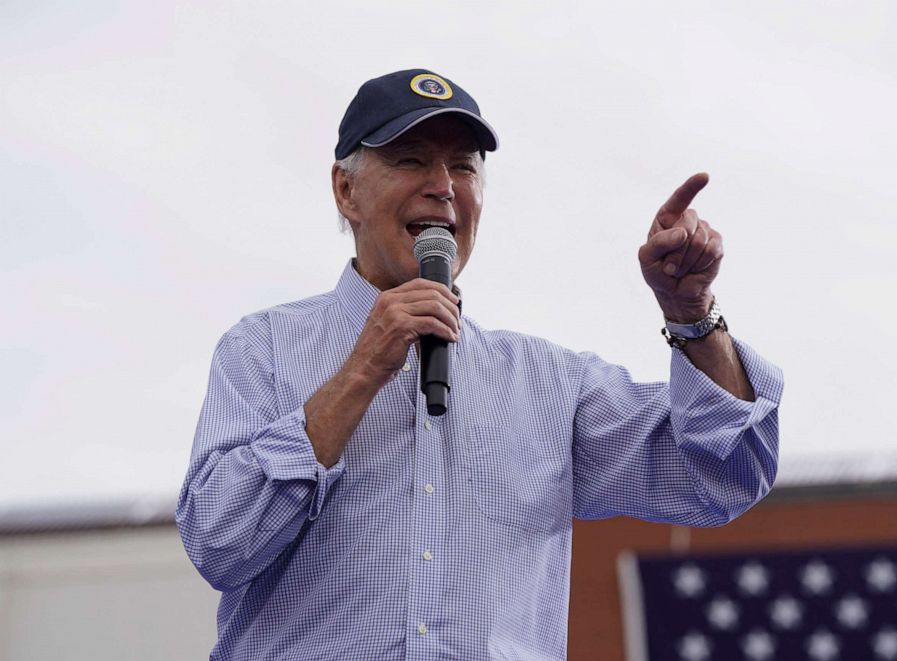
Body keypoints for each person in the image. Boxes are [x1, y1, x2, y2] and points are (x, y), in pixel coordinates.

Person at [176, 68, 783, 660]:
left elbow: (723, 479)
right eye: (411, 159)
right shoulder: (265, 350)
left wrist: (691, 313)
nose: (443, 185)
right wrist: (360, 373)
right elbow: (219, 544)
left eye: (464, 165)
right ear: (346, 190)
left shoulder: (550, 384)